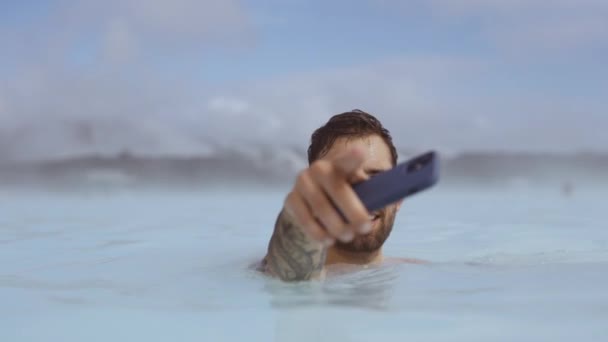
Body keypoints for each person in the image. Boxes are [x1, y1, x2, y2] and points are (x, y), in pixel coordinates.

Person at [261, 109, 421, 282]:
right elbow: (289, 274)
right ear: (315, 191)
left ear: (398, 198)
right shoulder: (277, 272)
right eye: (344, 182)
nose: (360, 200)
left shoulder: (417, 273)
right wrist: (296, 228)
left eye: (377, 180)